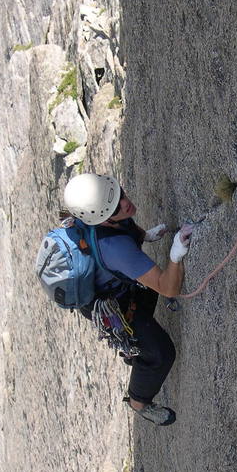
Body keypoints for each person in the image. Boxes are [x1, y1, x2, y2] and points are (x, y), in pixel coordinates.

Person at [62, 173, 192, 426]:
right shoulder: (116, 250)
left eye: (119, 194)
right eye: (115, 206)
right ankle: (139, 402)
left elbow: (124, 225)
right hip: (112, 308)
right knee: (161, 353)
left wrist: (144, 236)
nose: (125, 203)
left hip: (114, 286)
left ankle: (135, 346)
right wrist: (176, 256)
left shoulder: (101, 217)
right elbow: (169, 287)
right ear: (103, 217)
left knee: (146, 286)